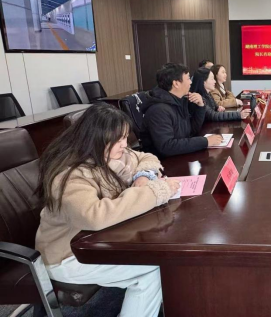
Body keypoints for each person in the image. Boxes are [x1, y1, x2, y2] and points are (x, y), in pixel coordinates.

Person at [35, 104, 181, 318]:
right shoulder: (70, 174)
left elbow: (144, 157)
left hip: (101, 241)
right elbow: (94, 216)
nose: (125, 144)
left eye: (125, 137)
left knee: (159, 259)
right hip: (68, 255)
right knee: (154, 269)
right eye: (119, 139)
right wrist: (154, 192)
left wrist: (143, 176)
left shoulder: (111, 154)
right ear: (97, 138)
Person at [142, 63, 223, 158]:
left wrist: (200, 106)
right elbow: (167, 146)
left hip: (179, 157)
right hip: (164, 162)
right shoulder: (158, 110)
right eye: (188, 78)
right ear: (176, 83)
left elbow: (191, 131)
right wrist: (205, 141)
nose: (191, 82)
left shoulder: (180, 101)